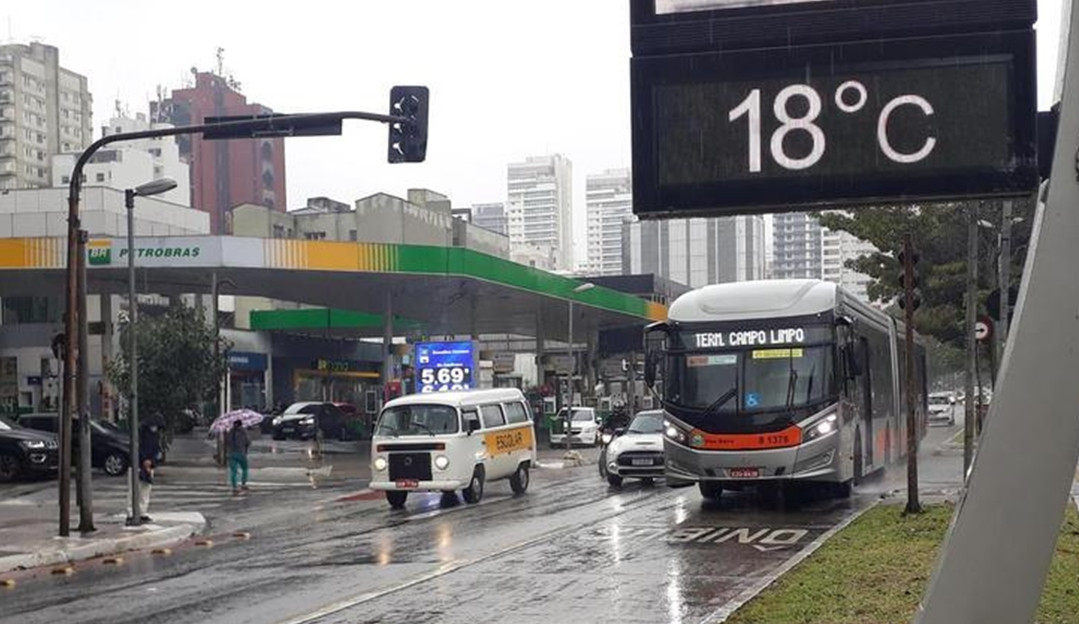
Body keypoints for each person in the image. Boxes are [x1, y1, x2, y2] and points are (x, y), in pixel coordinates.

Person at [135, 419, 161, 523]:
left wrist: (151, 463)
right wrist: (145, 460)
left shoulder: (156, 437)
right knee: (134, 490)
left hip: (149, 466)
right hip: (137, 466)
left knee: (146, 490)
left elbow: (156, 451)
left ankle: (143, 513)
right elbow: (138, 449)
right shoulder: (140, 436)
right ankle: (131, 513)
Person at [227, 419, 250, 495]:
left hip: (232, 454)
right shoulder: (243, 432)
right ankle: (243, 484)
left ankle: (234, 487)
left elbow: (227, 442)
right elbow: (248, 442)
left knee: (233, 471)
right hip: (241, 453)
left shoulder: (230, 432)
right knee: (245, 469)